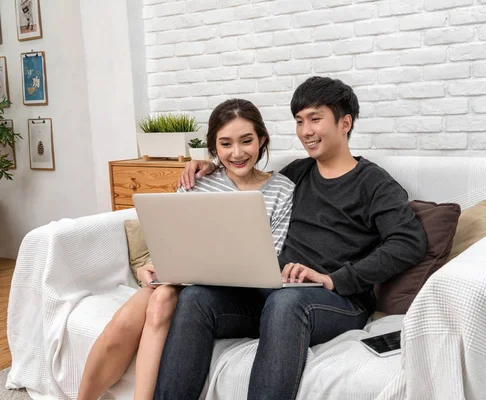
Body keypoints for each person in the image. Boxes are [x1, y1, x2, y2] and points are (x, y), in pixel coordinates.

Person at [154, 76, 428, 400]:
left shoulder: (374, 183)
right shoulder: (297, 173)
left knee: (287, 302)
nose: (305, 131)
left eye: (315, 119)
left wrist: (335, 279)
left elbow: (409, 242)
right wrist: (208, 165)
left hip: (335, 300)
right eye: (299, 121)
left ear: (345, 122)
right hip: (271, 293)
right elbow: (249, 179)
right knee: (196, 298)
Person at [77, 99, 294, 400]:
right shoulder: (197, 182)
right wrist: (152, 265)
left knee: (164, 297)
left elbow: (270, 256)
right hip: (183, 279)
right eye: (225, 143)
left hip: (234, 295)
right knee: (134, 314)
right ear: (213, 148)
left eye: (247, 141)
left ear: (262, 140)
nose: (238, 153)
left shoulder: (283, 189)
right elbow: (172, 238)